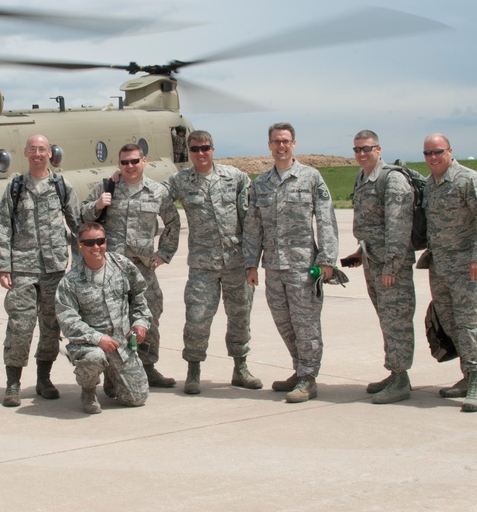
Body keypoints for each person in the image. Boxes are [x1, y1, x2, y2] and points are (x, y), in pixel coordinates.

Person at [243, 123, 339, 403]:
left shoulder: (311, 177)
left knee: (306, 324)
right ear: (269, 145)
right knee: (284, 323)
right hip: (273, 267)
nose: (281, 146)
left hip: (303, 267)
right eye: (276, 142)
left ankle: (309, 378)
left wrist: (327, 260)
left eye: (285, 141)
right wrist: (251, 263)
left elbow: (326, 220)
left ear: (294, 144)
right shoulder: (260, 183)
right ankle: (300, 369)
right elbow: (253, 226)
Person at [165, 130, 262, 394]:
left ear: (213, 148)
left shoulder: (235, 177)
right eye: (195, 149)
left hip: (236, 262)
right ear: (189, 152)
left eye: (205, 147)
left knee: (240, 317)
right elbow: (154, 195)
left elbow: (254, 212)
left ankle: (240, 369)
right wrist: (119, 177)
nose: (201, 153)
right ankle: (193, 370)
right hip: (202, 265)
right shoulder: (180, 181)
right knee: (197, 318)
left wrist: (253, 259)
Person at [79, 143, 180, 388]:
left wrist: (164, 254)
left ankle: (148, 368)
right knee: (112, 320)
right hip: (112, 269)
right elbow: (81, 217)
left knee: (150, 316)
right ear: (119, 164)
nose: (130, 166)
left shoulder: (158, 191)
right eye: (124, 162)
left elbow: (173, 222)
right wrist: (97, 205)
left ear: (144, 161)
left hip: (143, 268)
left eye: (134, 161)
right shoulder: (107, 188)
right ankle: (114, 374)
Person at [0, 133, 79, 407]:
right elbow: (2, 226)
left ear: (50, 153)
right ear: (26, 154)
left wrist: (80, 265)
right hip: (23, 269)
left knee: (51, 327)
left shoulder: (62, 186)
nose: (38, 154)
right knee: (20, 326)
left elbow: (77, 226)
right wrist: (3, 265)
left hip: (54, 268)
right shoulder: (16, 187)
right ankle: (13, 384)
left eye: (42, 149)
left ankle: (43, 379)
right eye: (33, 149)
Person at [422, 133, 477, 412]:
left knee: (471, 324)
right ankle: (467, 375)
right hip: (440, 268)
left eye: (438, 152)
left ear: (450, 151)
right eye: (428, 154)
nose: (433, 158)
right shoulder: (430, 185)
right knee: (450, 322)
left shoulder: (469, 180)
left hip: (466, 269)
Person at [342, 130, 416, 404]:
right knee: (387, 320)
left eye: (366, 149)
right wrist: (361, 252)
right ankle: (395, 372)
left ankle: (400, 379)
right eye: (357, 150)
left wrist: (391, 267)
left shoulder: (392, 179)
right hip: (372, 262)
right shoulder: (363, 178)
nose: (361, 154)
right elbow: (371, 225)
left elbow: (398, 228)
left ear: (379, 149)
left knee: (397, 321)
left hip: (389, 267)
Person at [56, 222, 152, 414]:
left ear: (105, 242)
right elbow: (67, 320)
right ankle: (88, 391)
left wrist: (140, 322)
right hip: (90, 345)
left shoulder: (122, 266)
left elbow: (140, 294)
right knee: (94, 357)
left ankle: (112, 376)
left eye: (100, 241)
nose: (95, 247)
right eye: (89, 243)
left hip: (121, 345)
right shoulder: (71, 281)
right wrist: (97, 338)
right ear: (80, 245)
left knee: (136, 399)